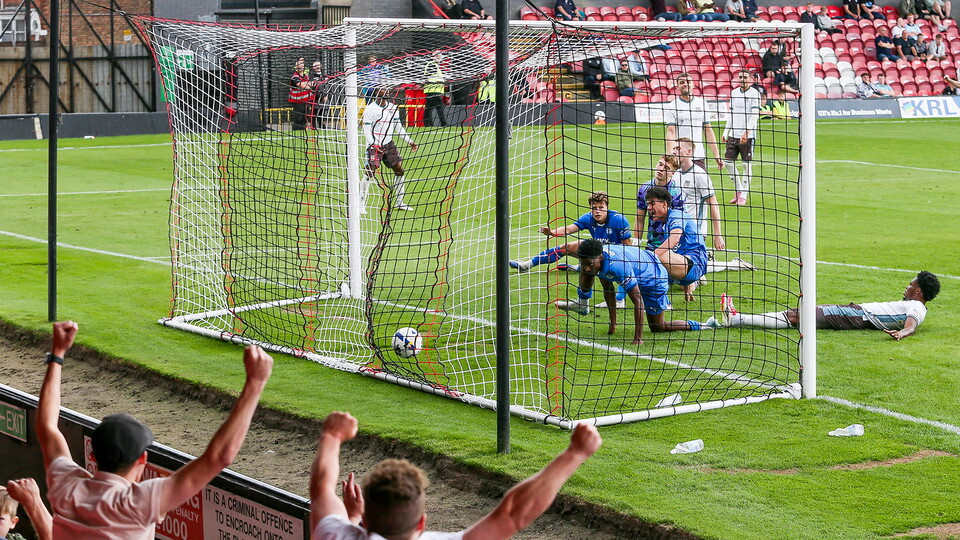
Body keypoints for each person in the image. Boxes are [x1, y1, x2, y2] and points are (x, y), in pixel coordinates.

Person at [37, 321, 273, 539]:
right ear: (143, 458)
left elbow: (47, 426)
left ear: (92, 454)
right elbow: (219, 457)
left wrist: (57, 354)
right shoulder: (138, 502)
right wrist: (256, 382)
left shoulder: (67, 486)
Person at [309, 411, 602, 540]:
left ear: (367, 519)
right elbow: (513, 514)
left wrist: (332, 435)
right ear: (422, 522)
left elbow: (322, 489)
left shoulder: (335, 534)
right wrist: (575, 454)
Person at [557, 239, 710, 342]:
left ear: (600, 257)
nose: (587, 268)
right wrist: (613, 325)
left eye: (590, 263)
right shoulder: (599, 262)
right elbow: (608, 290)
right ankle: (583, 304)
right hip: (641, 264)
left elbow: (637, 300)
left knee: (658, 327)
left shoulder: (617, 266)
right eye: (583, 264)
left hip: (653, 278)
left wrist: (638, 338)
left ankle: (703, 325)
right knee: (594, 277)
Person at [714, 271, 940, 341]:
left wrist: (902, 333)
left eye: (911, 285)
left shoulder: (917, 307)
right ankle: (737, 318)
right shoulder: (912, 304)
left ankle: (736, 319)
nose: (907, 287)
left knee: (798, 316)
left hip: (856, 316)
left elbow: (912, 325)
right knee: (799, 315)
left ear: (918, 291)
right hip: (854, 313)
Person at [362, 88, 418, 212]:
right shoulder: (370, 109)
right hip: (374, 145)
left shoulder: (393, 108)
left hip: (389, 144)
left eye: (387, 89)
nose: (387, 91)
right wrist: (374, 144)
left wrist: (410, 141)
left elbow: (398, 127)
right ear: (376, 92)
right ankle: (361, 206)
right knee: (370, 172)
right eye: (383, 89)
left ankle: (400, 202)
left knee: (399, 170)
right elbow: (366, 130)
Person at [664, 73, 724, 172]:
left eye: (688, 81)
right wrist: (670, 154)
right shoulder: (672, 106)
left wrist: (716, 154)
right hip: (679, 157)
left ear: (693, 84)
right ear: (677, 87)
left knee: (702, 186)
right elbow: (671, 132)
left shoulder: (702, 103)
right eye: (682, 82)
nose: (685, 84)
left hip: (698, 155)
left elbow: (708, 131)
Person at [723, 70, 761, 206]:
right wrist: (726, 131)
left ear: (750, 79)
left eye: (745, 77)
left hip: (748, 136)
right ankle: (739, 190)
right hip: (734, 135)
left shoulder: (755, 94)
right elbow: (731, 114)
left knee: (746, 164)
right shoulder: (734, 93)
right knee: (727, 162)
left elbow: (755, 114)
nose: (742, 79)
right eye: (740, 77)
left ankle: (744, 194)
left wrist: (747, 131)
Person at [635, 154, 684, 250]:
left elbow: (680, 223)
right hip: (651, 246)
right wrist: (636, 243)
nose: (661, 169)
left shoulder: (676, 193)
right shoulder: (644, 188)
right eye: (660, 164)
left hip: (672, 248)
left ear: (673, 172)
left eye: (666, 167)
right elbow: (640, 218)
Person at [289, 57, 312, 130]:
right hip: (297, 101)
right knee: (298, 118)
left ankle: (302, 130)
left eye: (303, 64)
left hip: (306, 101)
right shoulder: (295, 77)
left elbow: (311, 84)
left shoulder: (306, 76)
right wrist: (308, 84)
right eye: (300, 64)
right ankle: (296, 130)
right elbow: (302, 85)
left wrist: (308, 84)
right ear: (297, 67)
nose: (302, 66)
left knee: (305, 118)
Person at [307, 60, 330, 129]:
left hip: (324, 98)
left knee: (322, 113)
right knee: (314, 113)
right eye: (315, 65)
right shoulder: (311, 76)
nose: (317, 67)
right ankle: (313, 126)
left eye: (318, 65)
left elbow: (327, 87)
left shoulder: (325, 76)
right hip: (315, 98)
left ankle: (321, 125)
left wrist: (326, 96)